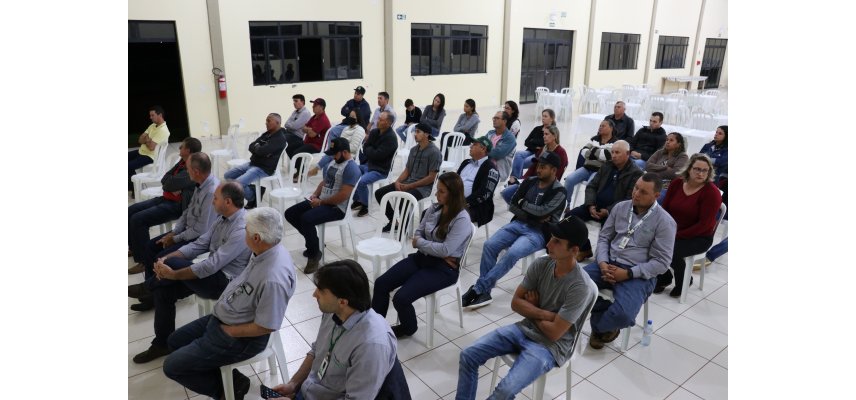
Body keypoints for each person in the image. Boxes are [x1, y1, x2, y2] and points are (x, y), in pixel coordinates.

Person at [163, 207, 296, 400]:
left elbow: (266, 325)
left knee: (172, 367)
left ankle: (227, 393)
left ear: (257, 237)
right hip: (226, 317)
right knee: (174, 341)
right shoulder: (264, 249)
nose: (243, 234)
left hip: (241, 336)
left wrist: (231, 331)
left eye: (246, 230)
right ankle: (234, 382)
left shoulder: (273, 277)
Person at [456, 216, 595, 400]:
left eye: (557, 241)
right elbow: (516, 303)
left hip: (551, 346)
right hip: (525, 328)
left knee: (504, 392)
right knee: (468, 355)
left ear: (574, 250)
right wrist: (543, 312)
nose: (548, 244)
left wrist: (531, 309)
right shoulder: (542, 264)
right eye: (551, 237)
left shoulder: (580, 287)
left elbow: (554, 333)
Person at [129, 182, 253, 363]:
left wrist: (173, 272)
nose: (212, 202)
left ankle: (147, 287)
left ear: (227, 202)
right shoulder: (222, 217)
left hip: (227, 284)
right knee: (163, 290)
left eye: (215, 198)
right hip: (212, 275)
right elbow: (200, 244)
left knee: (171, 267)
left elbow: (212, 265)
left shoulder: (241, 229)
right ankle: (161, 343)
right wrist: (166, 260)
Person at [270, 260, 397, 400]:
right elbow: (316, 351)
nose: (314, 294)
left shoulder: (371, 346)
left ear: (342, 302)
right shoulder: (333, 312)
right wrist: (294, 383)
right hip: (308, 390)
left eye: (321, 291)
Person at [372, 173, 473, 338]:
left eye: (441, 192)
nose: (436, 195)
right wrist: (433, 248)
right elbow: (419, 232)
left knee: (401, 298)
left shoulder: (462, 219)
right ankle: (374, 325)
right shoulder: (433, 209)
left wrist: (421, 244)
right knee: (381, 283)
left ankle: (408, 328)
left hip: (444, 269)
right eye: (437, 190)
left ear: (453, 194)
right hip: (422, 259)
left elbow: (445, 250)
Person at [462, 152, 567, 309]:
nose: (538, 169)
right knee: (489, 245)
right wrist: (534, 213)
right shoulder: (530, 182)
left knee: (512, 253)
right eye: (538, 165)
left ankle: (478, 288)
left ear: (553, 170)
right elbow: (512, 204)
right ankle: (485, 292)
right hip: (518, 224)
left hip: (538, 232)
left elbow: (542, 212)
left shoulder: (559, 192)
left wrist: (525, 205)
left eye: (543, 167)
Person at [583, 173, 677, 349]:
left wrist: (627, 273)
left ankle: (600, 326)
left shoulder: (665, 222)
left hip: (637, 273)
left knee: (624, 316)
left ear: (656, 196)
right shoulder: (620, 207)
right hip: (608, 263)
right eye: (635, 188)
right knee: (569, 283)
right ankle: (605, 313)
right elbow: (604, 237)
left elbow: (662, 262)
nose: (636, 194)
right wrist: (602, 262)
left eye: (643, 192)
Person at [129, 152, 218, 282]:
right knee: (150, 246)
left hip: (199, 238)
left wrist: (175, 238)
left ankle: (154, 289)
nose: (186, 172)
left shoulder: (210, 191)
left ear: (196, 171)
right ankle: (150, 289)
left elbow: (201, 230)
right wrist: (174, 232)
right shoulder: (200, 184)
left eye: (188, 169)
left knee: (161, 257)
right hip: (187, 231)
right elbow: (187, 211)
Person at [284, 137, 361, 273]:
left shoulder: (351, 169)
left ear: (344, 152)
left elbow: (343, 196)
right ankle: (315, 242)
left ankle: (314, 254)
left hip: (336, 207)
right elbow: (325, 182)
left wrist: (320, 202)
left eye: (335, 153)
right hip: (323, 200)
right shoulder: (335, 162)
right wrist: (315, 195)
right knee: (290, 213)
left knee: (306, 219)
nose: (332, 155)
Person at [128, 137, 202, 271]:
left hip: (177, 205)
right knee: (130, 210)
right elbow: (165, 178)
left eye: (182, 146)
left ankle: (144, 261)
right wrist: (171, 185)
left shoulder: (193, 165)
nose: (179, 148)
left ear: (188, 150)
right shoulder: (182, 161)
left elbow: (169, 183)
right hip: (166, 198)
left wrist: (171, 185)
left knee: (138, 219)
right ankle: (135, 248)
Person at [654, 154, 723, 297]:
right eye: (697, 169)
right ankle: (665, 277)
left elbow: (704, 225)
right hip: (673, 230)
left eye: (705, 170)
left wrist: (675, 235)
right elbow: (664, 209)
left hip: (698, 237)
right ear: (689, 169)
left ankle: (684, 281)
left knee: (671, 250)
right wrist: (662, 230)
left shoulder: (712, 193)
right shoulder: (677, 183)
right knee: (649, 239)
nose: (701, 173)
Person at [565, 140, 642, 262]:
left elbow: (629, 199)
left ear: (627, 154)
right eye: (612, 152)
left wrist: (608, 210)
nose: (614, 155)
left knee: (607, 232)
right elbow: (591, 186)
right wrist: (590, 205)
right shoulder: (607, 165)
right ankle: (585, 248)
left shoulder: (636, 173)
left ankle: (602, 259)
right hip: (595, 205)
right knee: (568, 218)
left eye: (617, 152)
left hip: (615, 212)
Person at [371, 123, 441, 222]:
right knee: (380, 193)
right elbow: (407, 170)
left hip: (423, 188)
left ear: (426, 134)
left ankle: (404, 230)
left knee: (403, 198)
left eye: (418, 132)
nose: (415, 134)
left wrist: (410, 186)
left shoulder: (434, 152)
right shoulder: (413, 150)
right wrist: (397, 182)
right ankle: (393, 222)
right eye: (414, 131)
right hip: (408, 183)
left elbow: (431, 177)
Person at [223, 113, 288, 208]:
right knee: (228, 176)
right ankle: (255, 190)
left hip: (263, 168)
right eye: (266, 120)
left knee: (238, 184)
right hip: (253, 163)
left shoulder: (279, 138)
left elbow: (262, 151)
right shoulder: (267, 133)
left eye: (268, 121)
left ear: (277, 122)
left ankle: (253, 197)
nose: (266, 123)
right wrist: (260, 149)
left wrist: (259, 148)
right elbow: (251, 146)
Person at [502, 124, 568, 204]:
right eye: (544, 134)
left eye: (547, 134)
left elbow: (557, 175)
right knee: (505, 193)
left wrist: (538, 184)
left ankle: (524, 211)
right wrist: (524, 179)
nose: (544, 136)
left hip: (543, 185)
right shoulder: (544, 148)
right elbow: (533, 166)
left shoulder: (561, 153)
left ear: (554, 136)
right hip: (533, 180)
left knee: (515, 197)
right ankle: (521, 210)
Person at [351, 111, 398, 214]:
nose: (377, 121)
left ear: (388, 123)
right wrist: (371, 151)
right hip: (369, 164)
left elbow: (377, 155)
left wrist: (370, 150)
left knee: (362, 182)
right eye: (378, 118)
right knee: (351, 172)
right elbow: (365, 146)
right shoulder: (374, 132)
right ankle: (358, 200)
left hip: (380, 169)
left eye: (381, 120)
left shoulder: (391, 138)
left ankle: (365, 205)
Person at [563, 120, 618, 198]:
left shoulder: (615, 142)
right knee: (569, 180)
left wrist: (592, 151)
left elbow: (606, 155)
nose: (600, 127)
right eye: (600, 126)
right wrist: (598, 154)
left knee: (590, 185)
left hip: (600, 171)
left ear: (611, 128)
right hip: (586, 168)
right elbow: (583, 151)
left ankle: (587, 207)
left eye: (603, 126)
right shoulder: (594, 139)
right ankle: (567, 205)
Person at [457, 136, 500, 228]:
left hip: (476, 207)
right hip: (456, 201)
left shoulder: (491, 169)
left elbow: (483, 193)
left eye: (474, 144)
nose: (470, 146)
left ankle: (452, 241)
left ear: (483, 148)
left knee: (452, 218)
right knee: (429, 212)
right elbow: (453, 181)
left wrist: (461, 203)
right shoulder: (466, 163)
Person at [129, 105, 171, 190]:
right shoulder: (152, 126)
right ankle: (132, 186)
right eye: (150, 115)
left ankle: (134, 189)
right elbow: (140, 140)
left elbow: (152, 147)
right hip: (142, 151)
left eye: (152, 115)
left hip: (150, 156)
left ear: (160, 115)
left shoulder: (163, 130)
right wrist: (148, 140)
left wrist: (147, 139)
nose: (150, 117)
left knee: (128, 166)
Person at [510, 109, 555, 184]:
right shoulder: (537, 129)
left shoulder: (553, 131)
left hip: (539, 154)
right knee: (518, 154)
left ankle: (516, 181)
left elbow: (545, 145)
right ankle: (516, 179)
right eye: (542, 116)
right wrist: (536, 146)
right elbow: (526, 142)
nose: (543, 118)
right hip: (530, 151)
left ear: (551, 119)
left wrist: (534, 141)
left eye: (545, 116)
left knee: (521, 162)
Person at [289, 98, 331, 176]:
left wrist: (307, 130)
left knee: (296, 153)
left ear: (321, 107)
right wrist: (309, 129)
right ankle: (300, 169)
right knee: (290, 146)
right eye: (313, 105)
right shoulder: (314, 117)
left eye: (315, 105)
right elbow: (303, 128)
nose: (313, 107)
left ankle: (301, 173)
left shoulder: (323, 119)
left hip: (316, 146)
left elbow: (312, 134)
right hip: (308, 142)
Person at [486, 110, 518, 184]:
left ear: (504, 121)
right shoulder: (490, 133)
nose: (494, 120)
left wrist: (484, 150)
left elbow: (497, 154)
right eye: (493, 118)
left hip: (498, 172)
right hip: (486, 167)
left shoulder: (510, 138)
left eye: (497, 118)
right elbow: (480, 144)